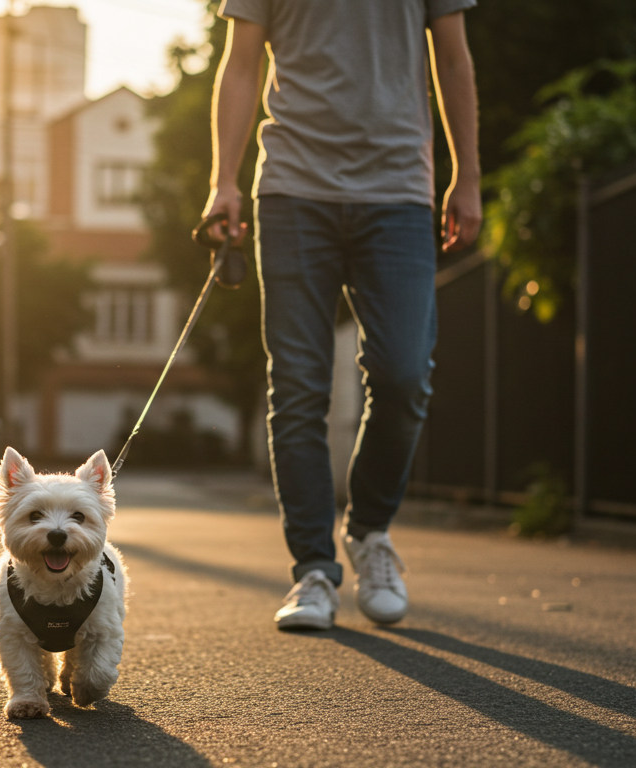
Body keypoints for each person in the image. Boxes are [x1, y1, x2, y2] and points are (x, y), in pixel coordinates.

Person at [204, 0, 482, 629]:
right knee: (298, 385)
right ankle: (313, 572)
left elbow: (453, 56)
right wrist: (224, 178)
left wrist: (467, 173)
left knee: (403, 375)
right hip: (293, 190)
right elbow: (240, 62)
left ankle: (371, 531)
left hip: (399, 193)